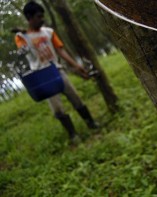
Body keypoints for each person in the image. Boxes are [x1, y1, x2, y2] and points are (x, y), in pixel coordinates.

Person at [14, 1, 98, 142]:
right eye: (38, 17)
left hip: (57, 70)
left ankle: (91, 122)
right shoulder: (21, 37)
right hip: (42, 75)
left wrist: (77, 66)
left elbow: (60, 50)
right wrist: (25, 35)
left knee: (75, 97)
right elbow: (22, 51)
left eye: (42, 16)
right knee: (57, 108)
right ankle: (73, 134)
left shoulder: (48, 32)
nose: (42, 19)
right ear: (29, 17)